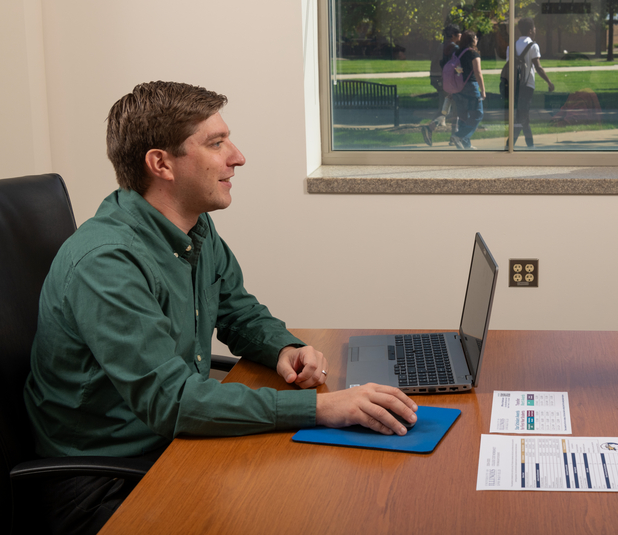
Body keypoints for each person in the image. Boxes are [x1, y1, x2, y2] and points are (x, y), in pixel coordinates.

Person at [24, 81, 418, 535]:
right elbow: (171, 401)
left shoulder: (193, 226)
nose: (238, 156)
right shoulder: (107, 263)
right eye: (216, 144)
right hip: (102, 481)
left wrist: (283, 348)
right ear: (161, 164)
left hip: (172, 447)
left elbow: (238, 311)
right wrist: (322, 409)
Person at [505, 17, 554, 149]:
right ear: (531, 31)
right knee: (523, 116)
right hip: (527, 86)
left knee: (522, 115)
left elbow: (508, 67)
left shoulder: (511, 46)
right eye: (534, 28)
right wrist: (549, 82)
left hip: (514, 86)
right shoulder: (533, 46)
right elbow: (538, 67)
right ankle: (512, 145)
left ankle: (527, 145)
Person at [421, 23, 462, 146]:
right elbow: (456, 66)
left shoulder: (442, 46)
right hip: (447, 81)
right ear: (454, 35)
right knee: (453, 109)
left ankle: (451, 136)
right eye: (460, 33)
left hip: (438, 79)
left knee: (446, 108)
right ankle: (435, 130)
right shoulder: (453, 48)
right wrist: (461, 77)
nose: (461, 35)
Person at [449, 30, 487, 150]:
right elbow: (478, 72)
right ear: (472, 40)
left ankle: (466, 144)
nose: (477, 39)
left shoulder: (457, 52)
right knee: (478, 114)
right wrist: (483, 90)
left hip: (458, 88)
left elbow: (457, 70)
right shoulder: (473, 53)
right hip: (471, 87)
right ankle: (459, 136)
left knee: (463, 116)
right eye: (475, 38)